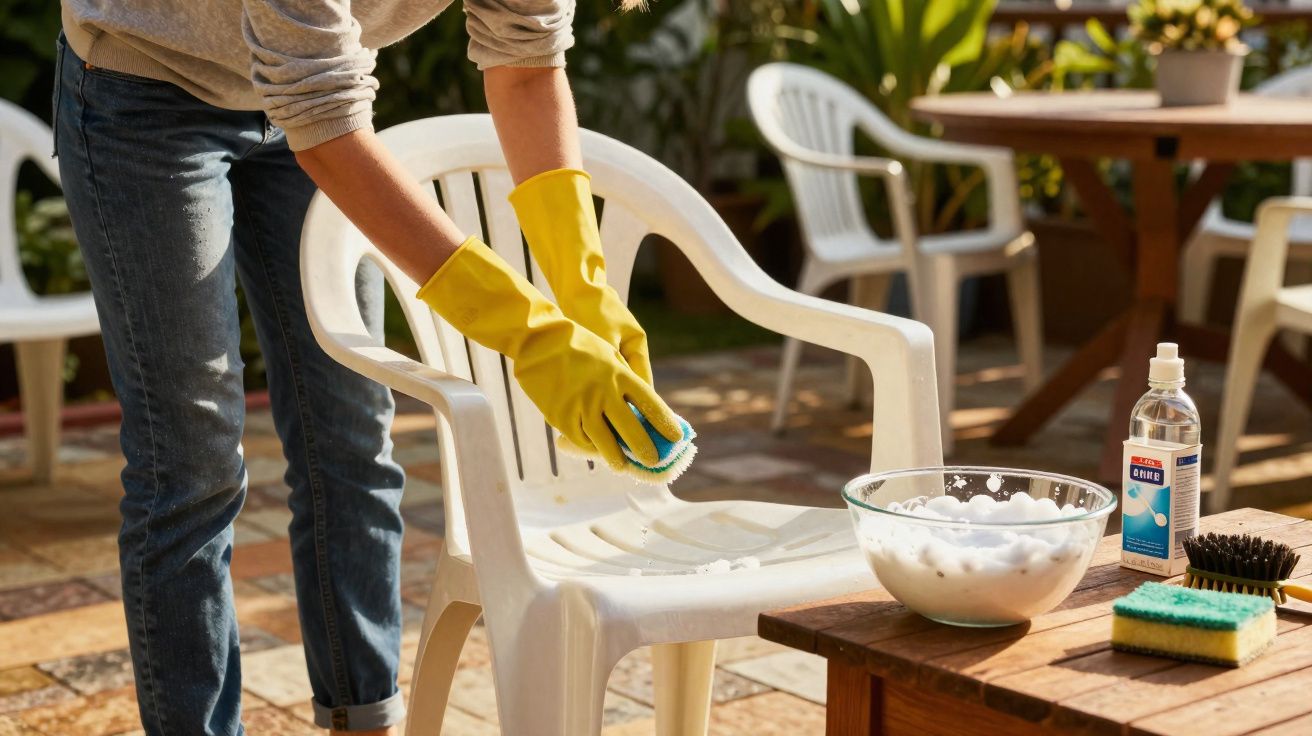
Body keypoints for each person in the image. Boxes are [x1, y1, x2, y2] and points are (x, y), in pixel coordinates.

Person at [53, 0, 678, 733]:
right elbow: (320, 111)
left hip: (314, 100)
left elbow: (526, 64)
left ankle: (363, 721)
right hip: (148, 89)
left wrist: (582, 288)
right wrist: (527, 331)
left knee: (350, 436)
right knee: (190, 462)